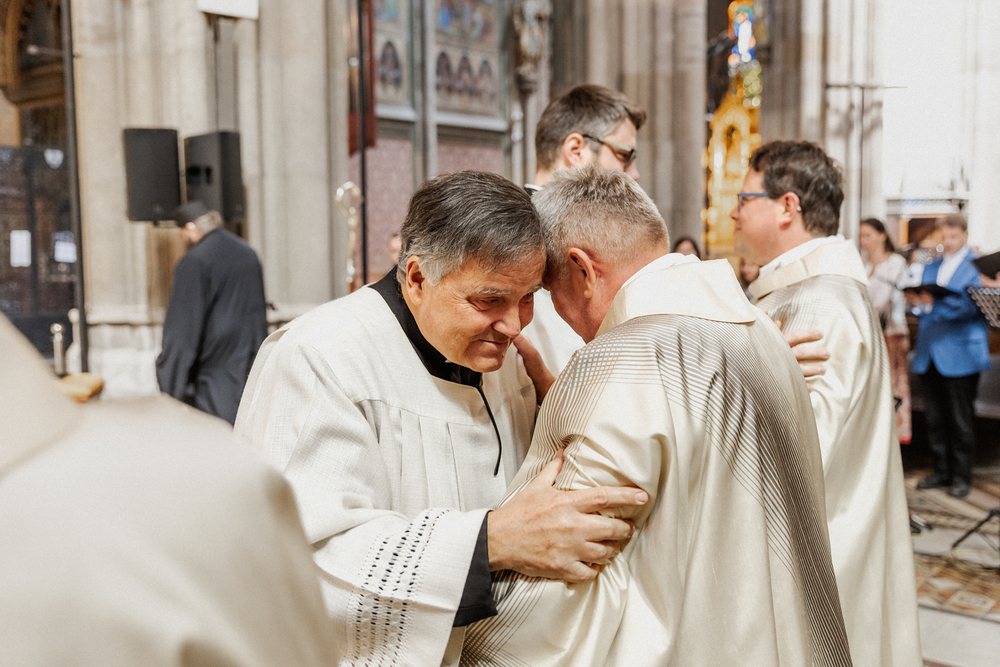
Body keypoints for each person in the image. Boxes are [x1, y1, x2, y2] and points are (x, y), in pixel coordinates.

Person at [235, 171, 646, 666]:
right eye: (488, 300)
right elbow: (305, 560)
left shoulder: (509, 362)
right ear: (416, 278)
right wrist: (489, 543)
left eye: (527, 298)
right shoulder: (318, 357)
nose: (513, 325)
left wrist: (556, 414)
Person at [463, 166, 851, 666]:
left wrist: (475, 632)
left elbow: (561, 565)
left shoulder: (620, 360)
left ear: (582, 271)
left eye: (548, 290)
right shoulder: (761, 331)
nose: (551, 310)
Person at [0, 315, 338, 666]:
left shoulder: (206, 488)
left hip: (206, 390)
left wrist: (172, 393)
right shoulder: (216, 478)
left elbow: (181, 340)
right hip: (235, 383)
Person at [731, 140, 921, 667]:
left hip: (818, 553)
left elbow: (800, 453)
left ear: (787, 206)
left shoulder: (819, 303)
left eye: (744, 198)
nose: (733, 212)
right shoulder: (806, 291)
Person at [521, 84, 646, 375]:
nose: (634, 174)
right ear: (576, 150)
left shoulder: (596, 236)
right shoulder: (516, 237)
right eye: (625, 156)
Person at [156, 201, 267, 425]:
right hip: (250, 363)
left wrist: (171, 383)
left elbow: (182, 327)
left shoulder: (195, 261)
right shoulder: (248, 253)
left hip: (214, 371)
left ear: (190, 228)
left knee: (218, 437)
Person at [908, 214, 990, 498]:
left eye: (953, 236)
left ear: (965, 235)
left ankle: (962, 476)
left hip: (961, 352)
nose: (948, 241)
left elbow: (971, 307)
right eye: (944, 236)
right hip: (929, 350)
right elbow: (923, 303)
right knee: (935, 418)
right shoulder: (931, 265)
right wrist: (917, 303)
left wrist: (932, 305)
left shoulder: (977, 267)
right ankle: (941, 470)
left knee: (960, 419)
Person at [859, 217, 912, 444]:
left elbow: (880, 301)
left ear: (882, 236)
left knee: (892, 387)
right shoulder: (862, 264)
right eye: (861, 236)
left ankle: (893, 438)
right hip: (866, 334)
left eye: (868, 235)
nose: (863, 241)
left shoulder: (895, 262)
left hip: (890, 334)